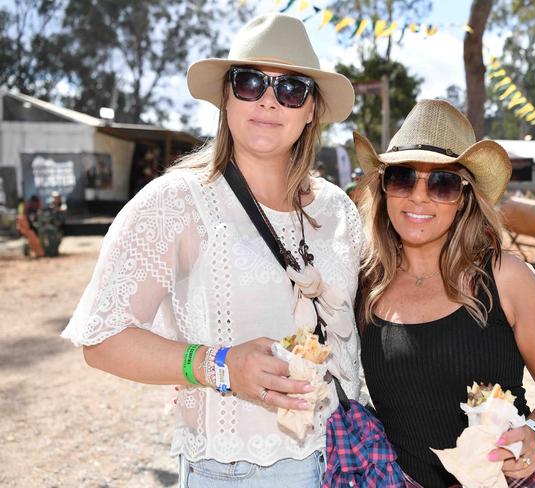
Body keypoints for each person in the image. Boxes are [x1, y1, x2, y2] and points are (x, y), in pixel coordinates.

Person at [61, 12, 363, 487]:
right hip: (236, 472)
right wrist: (218, 366)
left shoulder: (339, 210)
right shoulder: (175, 202)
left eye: (291, 89)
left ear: (311, 110)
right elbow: (101, 339)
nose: (268, 100)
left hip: (345, 459)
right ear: (226, 96)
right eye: (249, 82)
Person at [353, 99, 535, 487]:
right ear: (384, 188)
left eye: (442, 183)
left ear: (463, 199)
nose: (419, 197)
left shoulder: (506, 277)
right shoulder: (364, 284)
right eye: (403, 178)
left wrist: (534, 435)